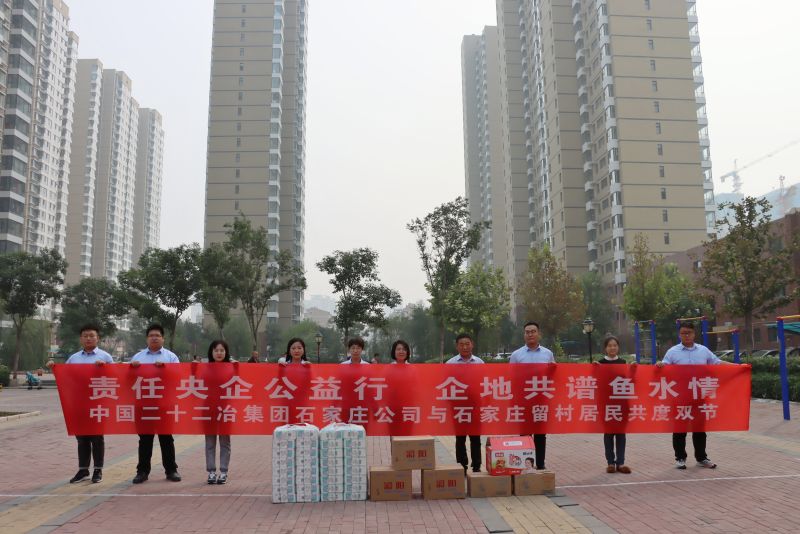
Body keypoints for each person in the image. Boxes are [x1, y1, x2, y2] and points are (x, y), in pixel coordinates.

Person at [657, 321, 743, 469]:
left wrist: (739, 367)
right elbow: (663, 368)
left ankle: (701, 457)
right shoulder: (672, 352)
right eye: (683, 333)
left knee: (699, 429)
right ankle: (680, 458)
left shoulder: (703, 350)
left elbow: (717, 363)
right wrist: (659, 365)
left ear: (694, 334)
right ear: (679, 334)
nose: (686, 335)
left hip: (699, 396)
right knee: (680, 429)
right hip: (680, 397)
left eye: (689, 333)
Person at [47, 324, 113, 484]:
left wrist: (105, 368)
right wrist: (54, 368)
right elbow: (65, 377)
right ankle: (83, 470)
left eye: (91, 335)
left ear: (98, 338)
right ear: (81, 339)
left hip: (98, 402)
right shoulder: (74, 358)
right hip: (79, 403)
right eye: (85, 336)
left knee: (97, 437)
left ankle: (98, 470)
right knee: (82, 438)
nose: (88, 338)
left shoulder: (105, 357)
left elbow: (116, 377)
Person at [130, 324, 181, 484]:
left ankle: (171, 470)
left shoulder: (171, 357)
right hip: (144, 405)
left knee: (166, 438)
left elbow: (179, 376)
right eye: (151, 335)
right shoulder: (137, 357)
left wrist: (166, 368)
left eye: (157, 335)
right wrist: (132, 369)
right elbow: (128, 380)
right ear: (147, 338)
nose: (154, 338)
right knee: (145, 439)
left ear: (163, 338)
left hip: (164, 404)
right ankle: (142, 472)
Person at [509, 321, 554, 470]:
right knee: (525, 434)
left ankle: (540, 464)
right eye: (527, 332)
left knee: (540, 433)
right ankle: (526, 464)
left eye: (533, 331)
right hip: (523, 400)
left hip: (541, 399)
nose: (530, 334)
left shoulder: (548, 354)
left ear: (538, 333)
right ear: (524, 335)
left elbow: (553, 375)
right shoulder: (516, 355)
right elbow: (511, 377)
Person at [594, 335, 632, 474]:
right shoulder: (600, 363)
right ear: (605, 348)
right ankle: (610, 462)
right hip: (606, 404)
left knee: (621, 434)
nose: (612, 348)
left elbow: (629, 381)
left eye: (615, 345)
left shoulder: (623, 363)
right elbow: (595, 381)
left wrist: (633, 369)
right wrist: (594, 369)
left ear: (618, 347)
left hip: (622, 403)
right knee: (609, 434)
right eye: (609, 345)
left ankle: (620, 463)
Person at [446, 333, 484, 473]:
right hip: (458, 406)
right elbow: (445, 384)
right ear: (457, 346)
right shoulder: (450, 364)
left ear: (472, 345)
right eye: (461, 344)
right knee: (460, 438)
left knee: (475, 437)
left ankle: (477, 465)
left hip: (475, 405)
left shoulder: (479, 362)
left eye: (467, 344)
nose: (465, 347)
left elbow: (485, 382)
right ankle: (461, 465)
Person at [205, 340, 233, 484]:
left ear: (226, 352)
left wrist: (238, 368)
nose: (219, 353)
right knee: (210, 442)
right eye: (216, 350)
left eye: (222, 350)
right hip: (208, 408)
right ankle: (211, 471)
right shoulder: (205, 368)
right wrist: (193, 368)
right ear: (211, 352)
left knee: (224, 441)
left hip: (226, 409)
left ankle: (223, 471)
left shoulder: (232, 368)